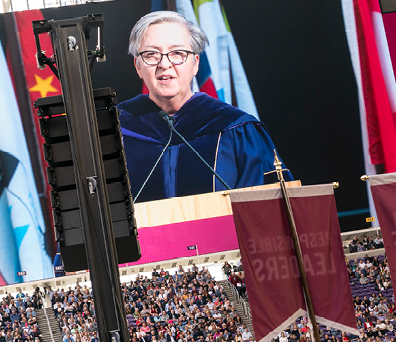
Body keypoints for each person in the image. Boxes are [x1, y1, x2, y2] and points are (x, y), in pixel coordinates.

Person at [119, 11, 289, 203]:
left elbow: (269, 211)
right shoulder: (117, 131)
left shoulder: (235, 128)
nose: (164, 64)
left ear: (195, 64)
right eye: (152, 55)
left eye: (177, 53)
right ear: (138, 66)